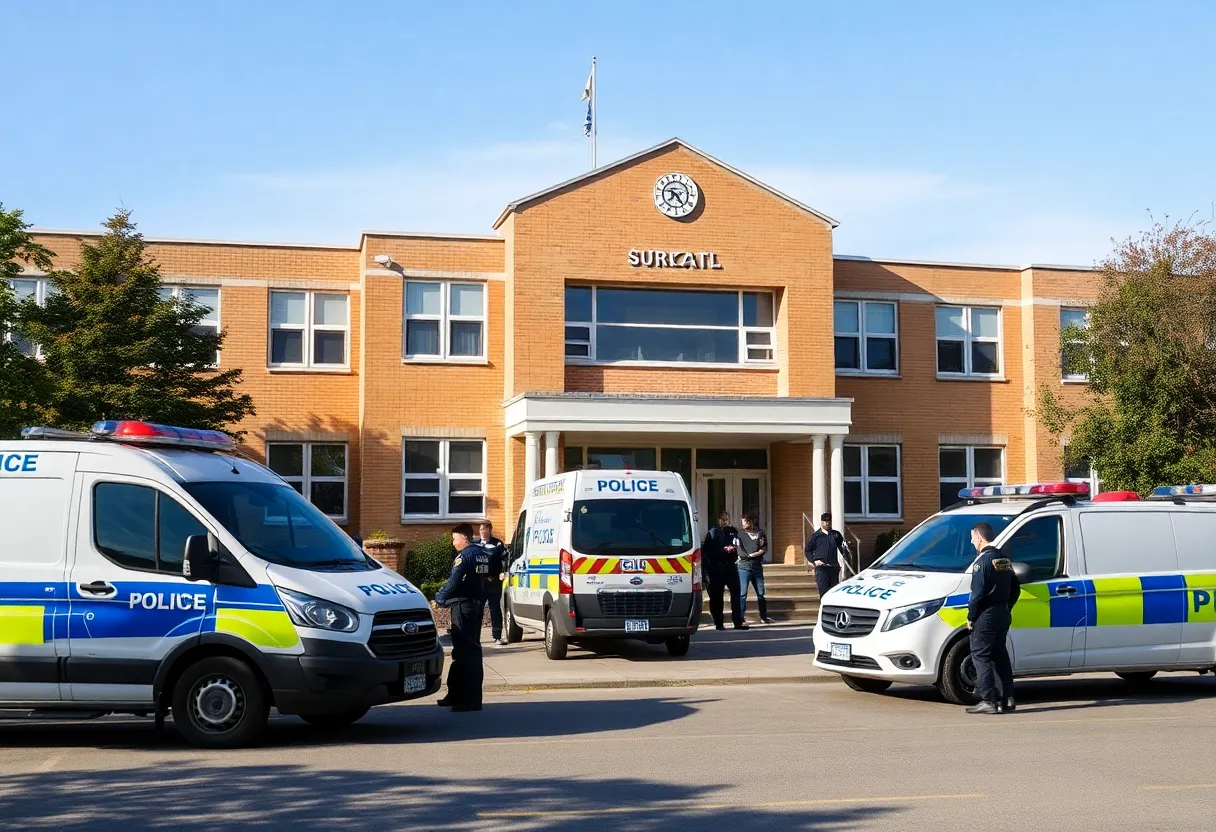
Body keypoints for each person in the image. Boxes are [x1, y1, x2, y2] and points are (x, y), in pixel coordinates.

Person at [965, 522, 1019, 715]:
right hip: (1002, 613)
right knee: (1000, 655)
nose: (971, 541)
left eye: (972, 537)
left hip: (986, 615)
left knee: (981, 656)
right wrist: (1006, 606)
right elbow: (1016, 588)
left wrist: (971, 616)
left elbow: (977, 594)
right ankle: (1008, 699)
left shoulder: (982, 562)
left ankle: (989, 700)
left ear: (979, 537)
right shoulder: (1003, 559)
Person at [434, 523, 487, 712]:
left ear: (464, 537)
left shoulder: (464, 556)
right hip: (475, 605)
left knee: (467, 653)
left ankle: (470, 700)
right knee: (462, 652)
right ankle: (455, 695)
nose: (453, 542)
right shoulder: (482, 554)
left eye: (455, 538)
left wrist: (440, 598)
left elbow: (454, 581)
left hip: (463, 606)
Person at [702, 510, 747, 630]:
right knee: (717, 596)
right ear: (718, 520)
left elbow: (739, 544)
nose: (725, 521)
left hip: (731, 566)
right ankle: (719, 623)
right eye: (723, 519)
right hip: (717, 567)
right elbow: (707, 552)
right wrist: (723, 550)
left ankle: (738, 622)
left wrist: (735, 549)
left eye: (727, 519)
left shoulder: (732, 531)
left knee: (736, 593)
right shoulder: (712, 533)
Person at [736, 513, 774, 624]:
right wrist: (745, 556)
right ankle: (740, 617)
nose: (742, 524)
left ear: (750, 522)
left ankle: (763, 617)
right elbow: (739, 549)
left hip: (757, 566)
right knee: (742, 593)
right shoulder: (740, 534)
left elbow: (763, 549)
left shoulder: (760, 533)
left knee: (761, 593)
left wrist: (753, 555)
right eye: (742, 522)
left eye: (744, 522)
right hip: (743, 567)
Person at [476, 520, 508, 647]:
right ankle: (475, 637)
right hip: (479, 581)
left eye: (484, 530)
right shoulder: (476, 545)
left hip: (493, 581)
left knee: (494, 608)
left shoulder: (497, 544)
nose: (482, 532)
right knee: (477, 610)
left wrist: (504, 572)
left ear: (490, 530)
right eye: (480, 530)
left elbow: (505, 559)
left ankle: (497, 636)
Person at [805, 513, 848, 597]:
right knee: (824, 592)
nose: (827, 523)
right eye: (825, 521)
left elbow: (843, 548)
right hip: (822, 568)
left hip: (833, 567)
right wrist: (814, 561)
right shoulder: (816, 536)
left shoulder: (836, 534)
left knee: (834, 592)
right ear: (821, 522)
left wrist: (846, 556)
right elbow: (808, 551)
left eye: (829, 521)